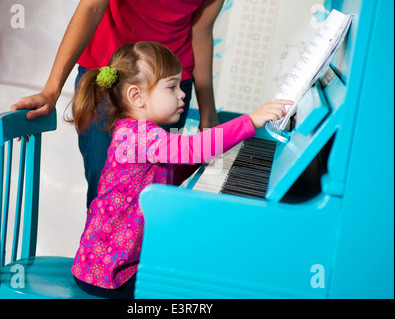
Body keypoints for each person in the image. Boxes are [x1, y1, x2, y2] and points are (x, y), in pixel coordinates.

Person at [66, 41, 290, 298]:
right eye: (171, 87)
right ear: (136, 96)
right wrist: (249, 122)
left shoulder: (146, 135)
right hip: (109, 274)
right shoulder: (136, 135)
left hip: (118, 265)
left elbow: (174, 168)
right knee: (188, 285)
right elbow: (191, 150)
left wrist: (217, 155)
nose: (182, 93)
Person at [11, 0, 226, 209]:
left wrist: (208, 113)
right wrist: (51, 91)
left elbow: (201, 31)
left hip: (168, 83)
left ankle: (140, 247)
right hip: (114, 73)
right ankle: (103, 246)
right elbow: (92, 6)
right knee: (105, 189)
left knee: (156, 189)